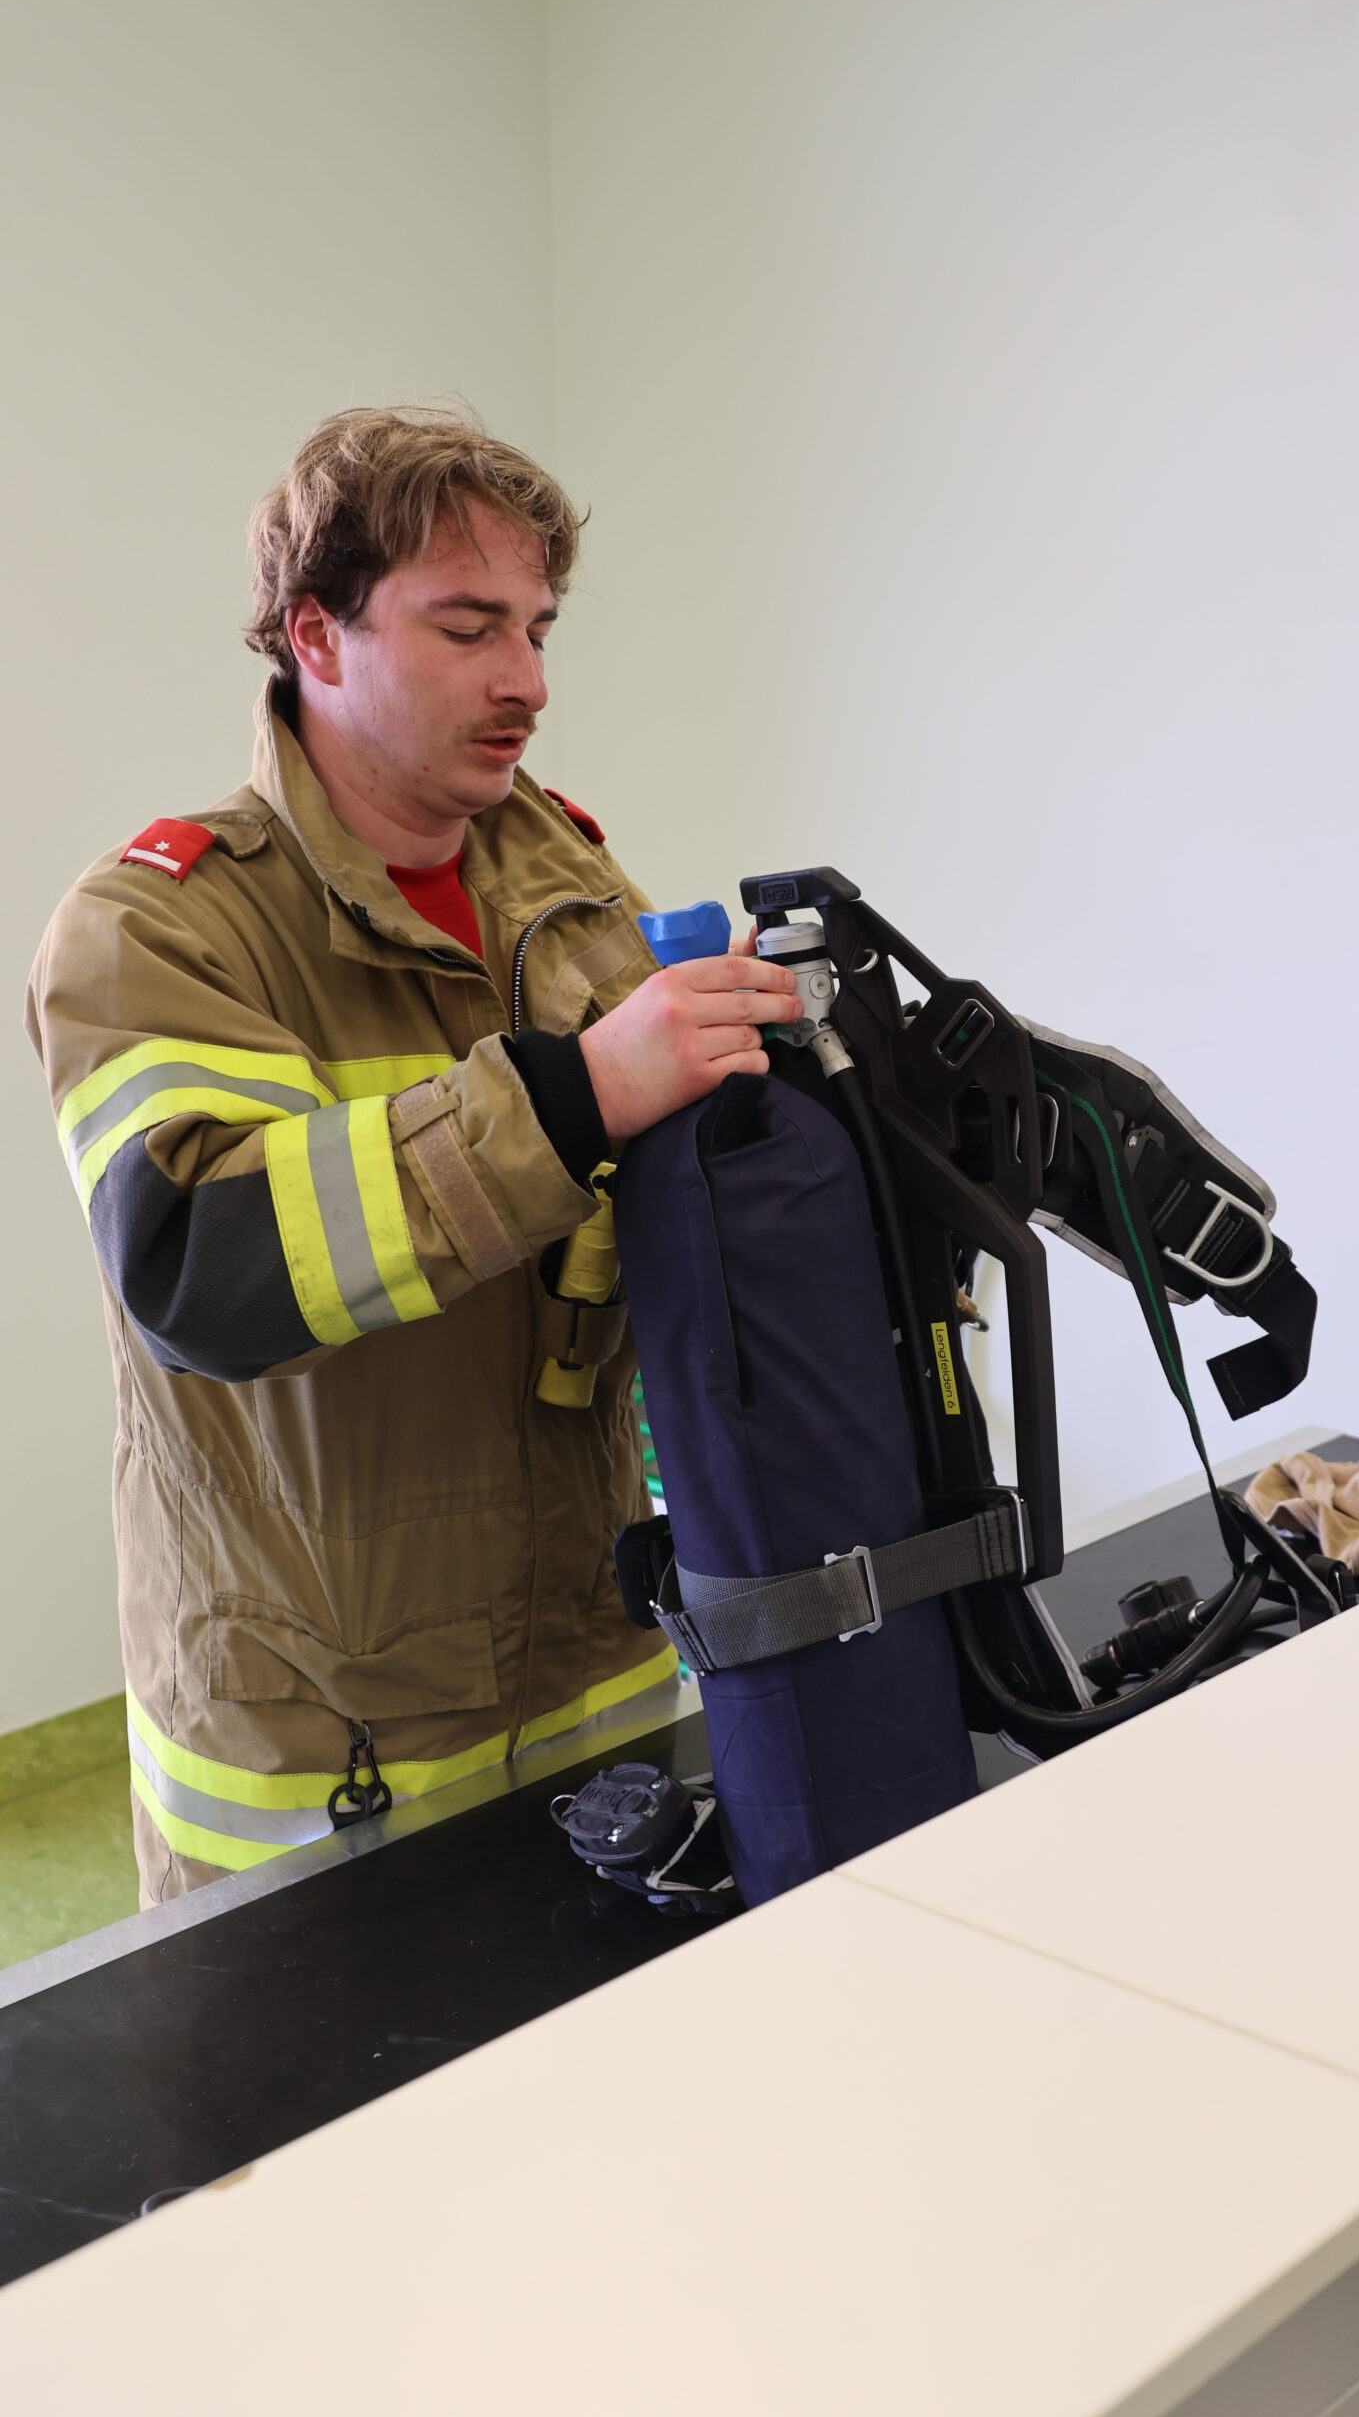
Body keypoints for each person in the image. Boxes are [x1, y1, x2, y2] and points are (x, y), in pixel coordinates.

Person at [26, 404, 800, 1904]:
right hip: (326, 1757)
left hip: (601, 1678)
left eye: (537, 628)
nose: (528, 681)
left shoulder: (572, 886)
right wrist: (579, 1095)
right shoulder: (155, 927)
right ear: (315, 636)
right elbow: (202, 1270)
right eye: (467, 627)